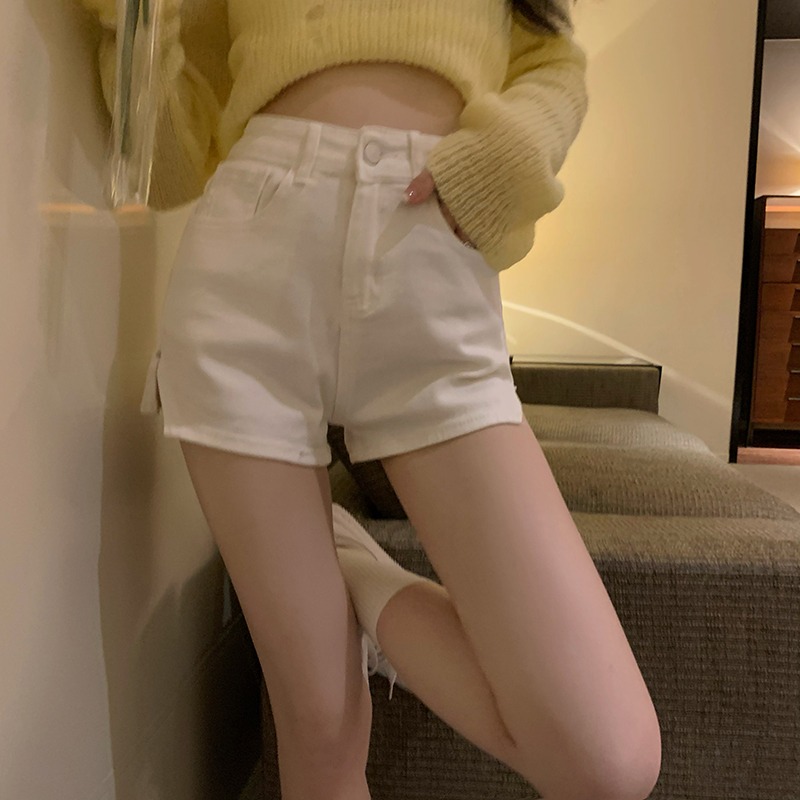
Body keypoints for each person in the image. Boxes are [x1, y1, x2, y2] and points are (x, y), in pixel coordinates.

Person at [81, 1, 662, 798]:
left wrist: (502, 158)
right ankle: (332, 602)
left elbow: (554, 65)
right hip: (248, 266)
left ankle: (354, 573)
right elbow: (170, 163)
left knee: (609, 759)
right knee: (321, 728)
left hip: (429, 262)